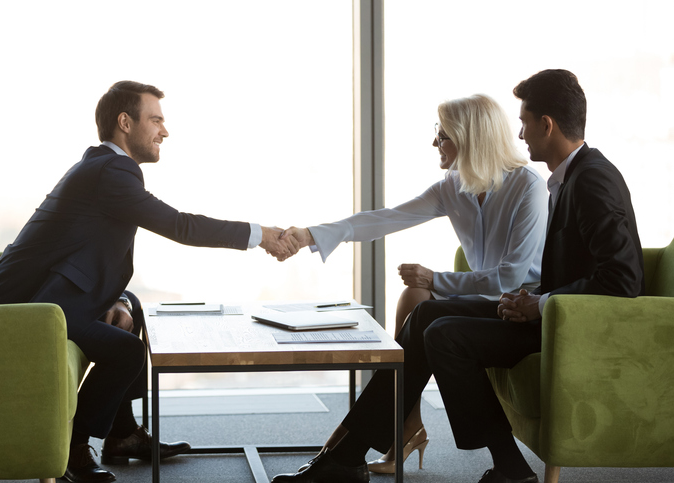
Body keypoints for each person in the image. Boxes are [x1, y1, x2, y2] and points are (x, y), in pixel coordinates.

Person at [271, 69, 644, 483]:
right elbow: (385, 218)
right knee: (426, 318)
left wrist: (534, 302)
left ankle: (504, 465)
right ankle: (350, 452)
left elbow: (621, 279)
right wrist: (309, 235)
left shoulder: (577, 182)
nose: (520, 134)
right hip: (539, 311)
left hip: (561, 322)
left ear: (546, 125)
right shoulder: (555, 179)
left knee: (442, 334)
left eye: (524, 122)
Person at [0, 81, 299, 483]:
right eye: (155, 119)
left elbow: (90, 250)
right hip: (18, 312)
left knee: (132, 305)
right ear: (125, 122)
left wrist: (119, 297)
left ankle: (122, 435)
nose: (165, 131)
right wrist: (262, 235)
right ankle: (70, 447)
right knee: (127, 352)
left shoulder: (102, 168)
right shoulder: (112, 170)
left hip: (40, 299)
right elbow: (180, 225)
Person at [280, 93, 548, 473]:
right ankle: (373, 441)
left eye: (442, 136)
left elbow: (511, 276)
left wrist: (434, 277)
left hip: (522, 308)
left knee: (426, 313)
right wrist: (310, 234)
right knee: (418, 301)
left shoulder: (528, 188)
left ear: (470, 138)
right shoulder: (453, 185)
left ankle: (351, 448)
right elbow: (384, 219)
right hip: (483, 304)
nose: (434, 144)